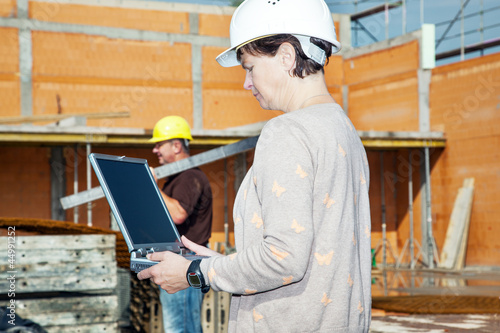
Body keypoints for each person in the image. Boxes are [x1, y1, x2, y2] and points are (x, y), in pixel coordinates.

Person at [139, 0, 372, 332]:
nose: (246, 83)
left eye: (249, 66)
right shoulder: (343, 130)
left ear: (287, 56)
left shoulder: (287, 131)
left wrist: (194, 273)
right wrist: (217, 263)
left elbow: (283, 258)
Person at [148, 115, 213, 333]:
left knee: (182, 328)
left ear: (176, 146)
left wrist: (152, 186)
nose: (155, 150)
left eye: (159, 144)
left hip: (185, 264)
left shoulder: (189, 176)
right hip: (177, 262)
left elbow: (178, 214)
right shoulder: (176, 179)